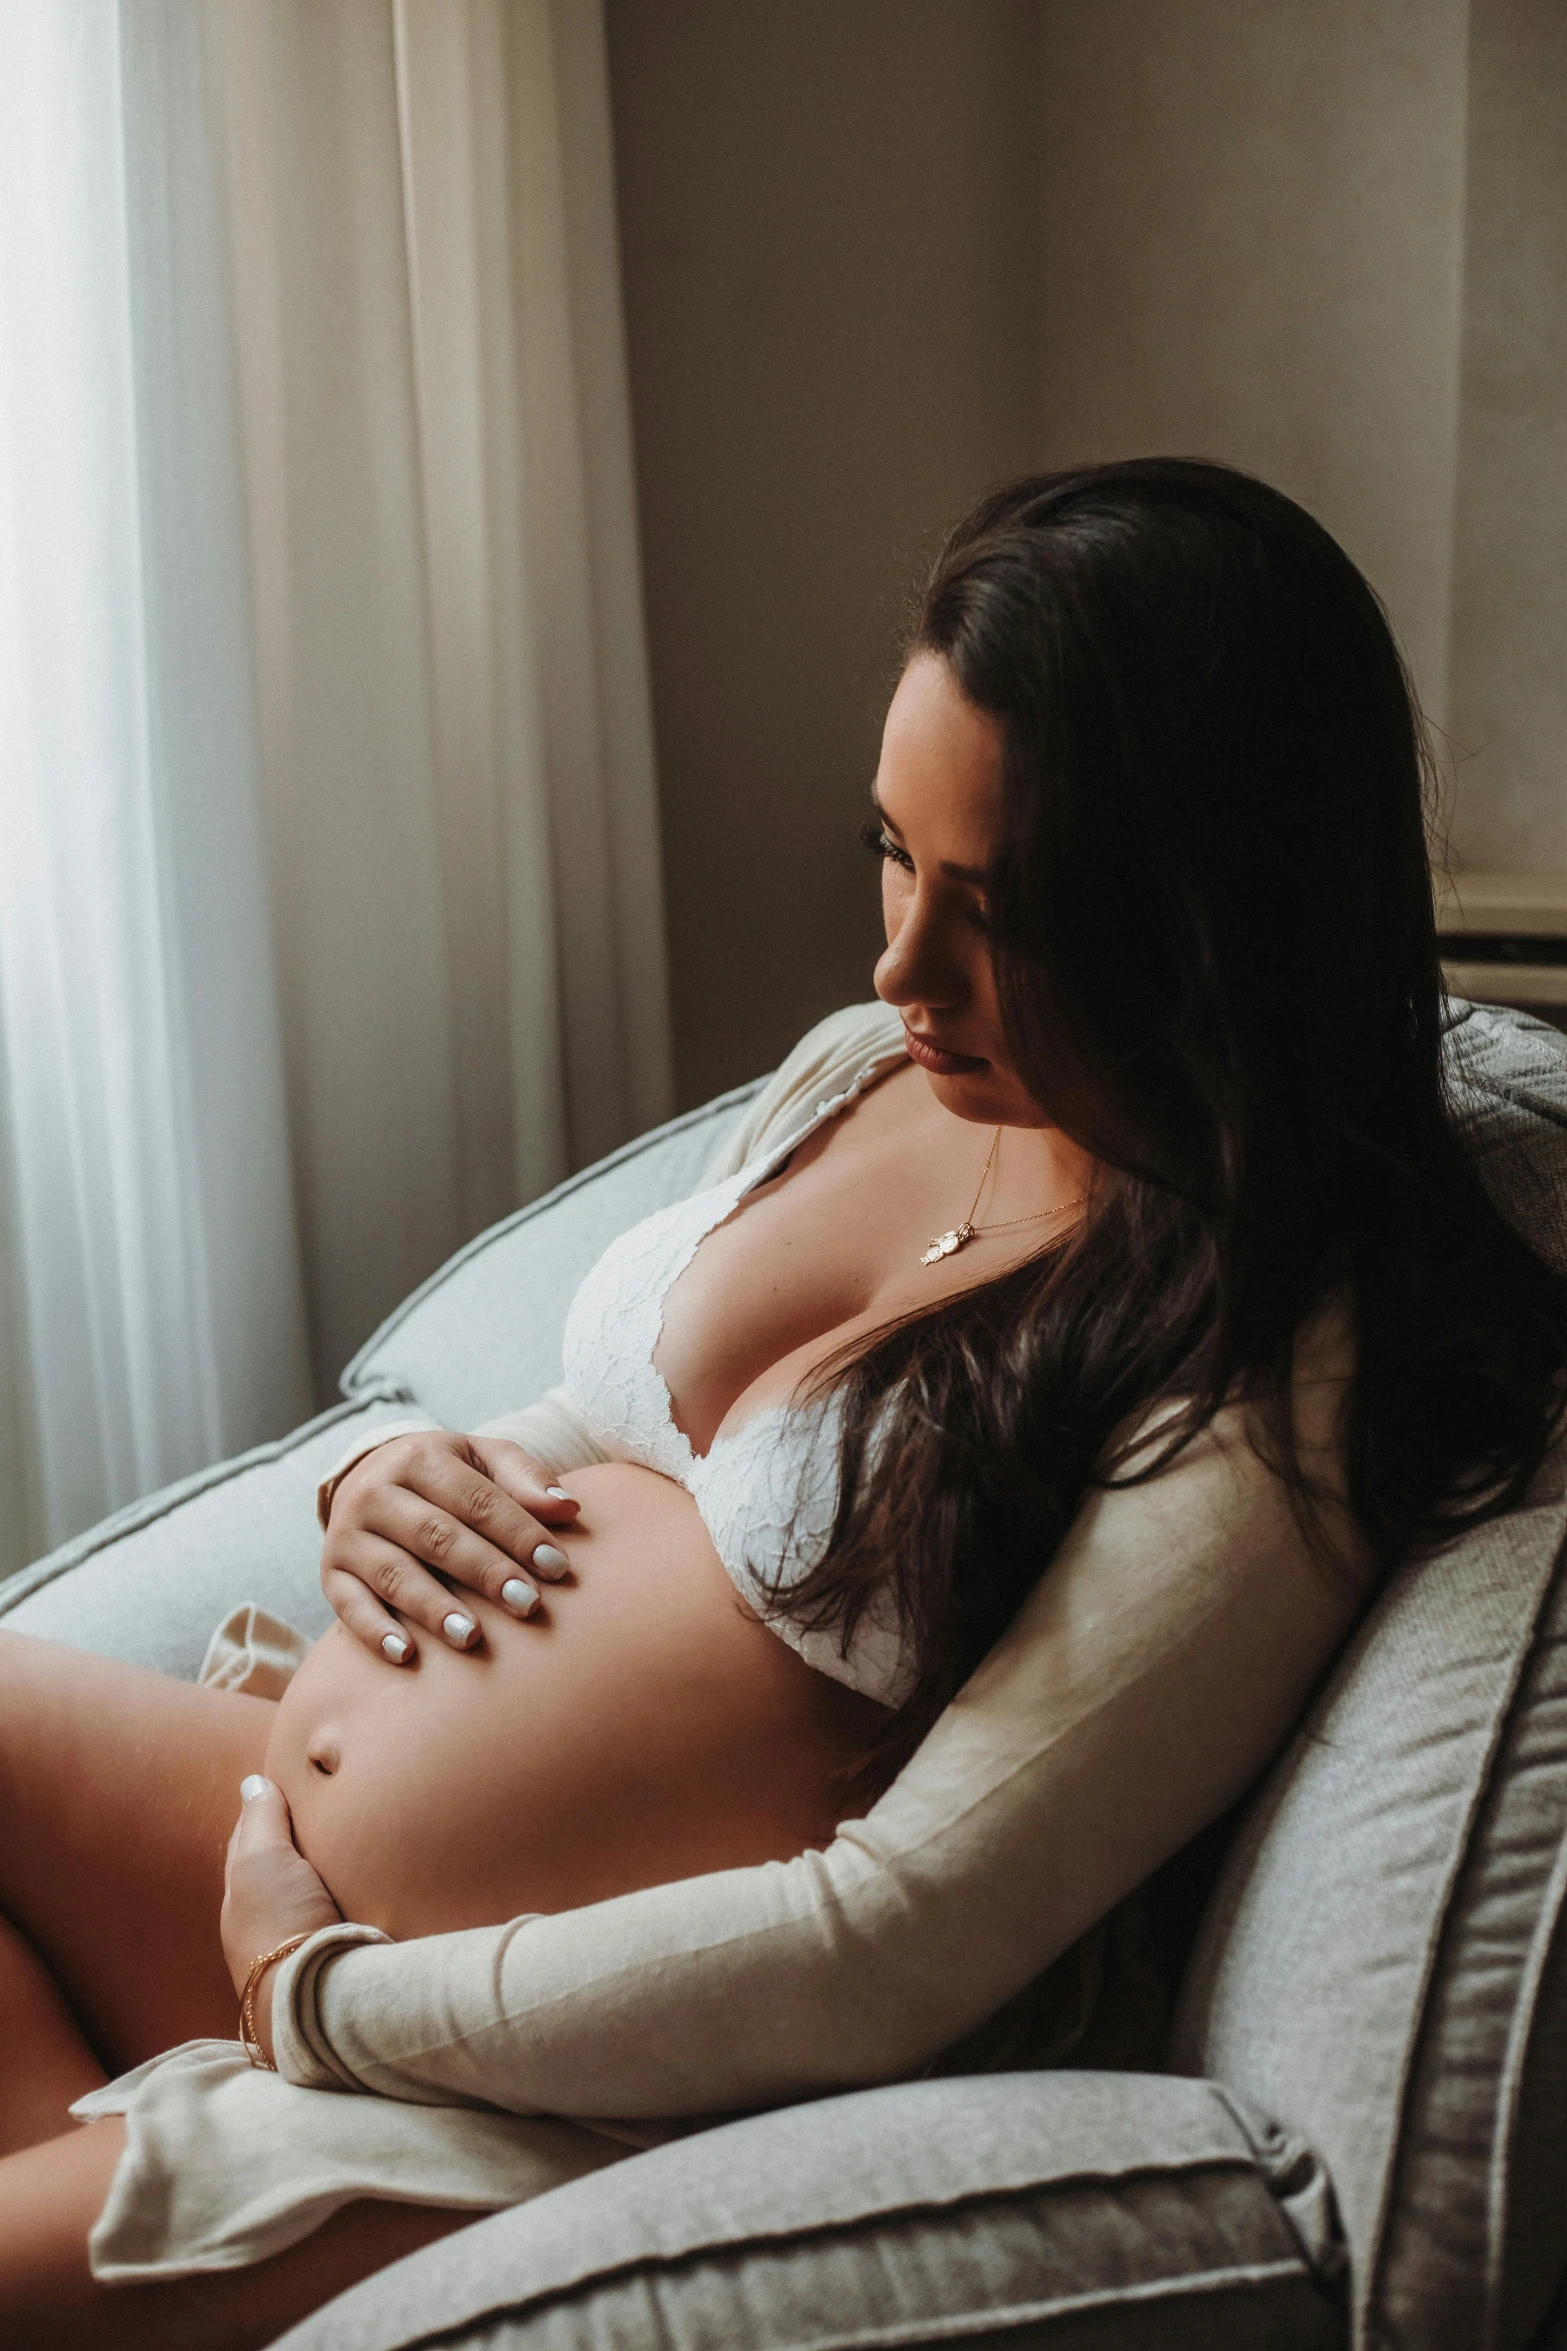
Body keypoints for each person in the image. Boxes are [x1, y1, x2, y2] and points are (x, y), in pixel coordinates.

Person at [2, 459, 1563, 2348]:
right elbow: (638, 1424)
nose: (903, 967)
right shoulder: (869, 1071)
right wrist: (388, 1476)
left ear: (1215, 912)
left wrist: (321, 1998)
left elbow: (902, 1930)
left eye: (1008, 908)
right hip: (273, 1861)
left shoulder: (1271, 1346)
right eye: (895, 855)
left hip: (545, 2071)